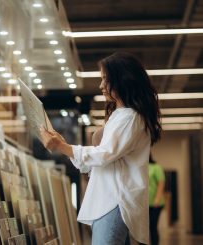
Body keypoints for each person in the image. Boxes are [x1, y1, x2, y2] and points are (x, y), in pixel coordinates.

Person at [40, 52, 161, 245]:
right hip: (110, 201)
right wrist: (64, 145)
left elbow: (104, 155)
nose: (101, 85)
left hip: (113, 202)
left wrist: (62, 146)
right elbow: (100, 160)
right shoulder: (122, 116)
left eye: (106, 79)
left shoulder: (129, 117)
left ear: (121, 80)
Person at [148, 154, 166, 245]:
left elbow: (161, 184)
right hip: (143, 205)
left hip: (155, 204)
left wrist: (157, 199)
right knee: (142, 229)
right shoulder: (139, 166)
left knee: (152, 227)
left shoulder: (156, 167)